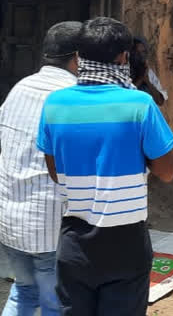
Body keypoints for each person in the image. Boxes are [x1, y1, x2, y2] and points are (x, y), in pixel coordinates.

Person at [37, 17, 173, 316]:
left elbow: (55, 172)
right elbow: (167, 172)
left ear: (78, 58)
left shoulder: (54, 104)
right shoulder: (140, 105)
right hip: (126, 242)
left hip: (74, 241)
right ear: (123, 57)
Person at [0, 22, 81, 316]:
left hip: (11, 219)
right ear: (78, 57)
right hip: (48, 224)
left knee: (24, 292)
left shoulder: (21, 88)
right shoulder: (73, 95)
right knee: (54, 303)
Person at [130, 37, 168, 107]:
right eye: (137, 52)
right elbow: (126, 96)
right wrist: (140, 79)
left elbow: (160, 101)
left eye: (143, 52)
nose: (140, 56)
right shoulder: (124, 72)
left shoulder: (148, 73)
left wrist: (147, 80)